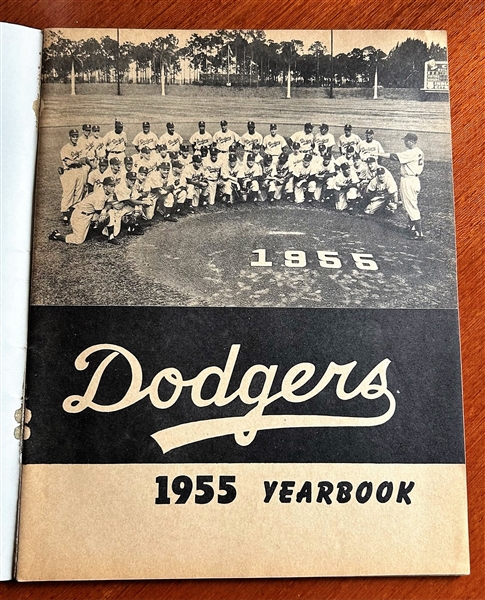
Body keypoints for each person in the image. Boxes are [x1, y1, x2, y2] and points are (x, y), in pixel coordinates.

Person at [378, 132, 425, 239]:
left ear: (412, 142)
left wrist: (378, 154)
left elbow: (393, 157)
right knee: (408, 205)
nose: (405, 142)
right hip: (414, 180)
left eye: (406, 140)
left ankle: (419, 233)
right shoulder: (420, 152)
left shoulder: (411, 152)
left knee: (411, 206)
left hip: (409, 180)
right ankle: (411, 227)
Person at [49, 177, 116, 245]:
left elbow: (109, 203)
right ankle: (57, 235)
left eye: (114, 186)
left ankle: (110, 237)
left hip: (89, 214)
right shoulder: (99, 196)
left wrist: (104, 210)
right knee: (78, 240)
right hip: (80, 216)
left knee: (110, 212)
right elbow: (98, 212)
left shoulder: (108, 191)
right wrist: (102, 213)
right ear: (105, 186)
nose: (113, 188)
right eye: (111, 186)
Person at [58, 129, 85, 225]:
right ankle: (65, 213)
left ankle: (74, 212)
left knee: (79, 192)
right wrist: (76, 161)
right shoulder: (65, 148)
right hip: (70, 172)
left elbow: (84, 160)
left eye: (76, 136)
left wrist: (75, 162)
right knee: (68, 193)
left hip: (79, 171)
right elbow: (68, 163)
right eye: (73, 136)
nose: (75, 138)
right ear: (69, 137)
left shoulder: (80, 146)